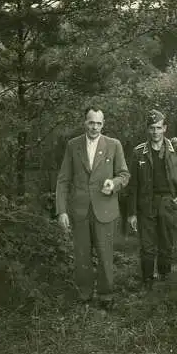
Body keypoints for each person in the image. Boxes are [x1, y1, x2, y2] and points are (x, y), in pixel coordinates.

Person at [56, 106, 130, 310]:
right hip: (79, 211)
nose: (94, 127)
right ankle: (85, 294)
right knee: (81, 255)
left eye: (98, 123)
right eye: (91, 122)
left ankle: (106, 296)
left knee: (105, 255)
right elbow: (63, 180)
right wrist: (62, 210)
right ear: (84, 123)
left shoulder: (113, 145)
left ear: (103, 124)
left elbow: (124, 175)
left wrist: (113, 184)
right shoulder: (73, 145)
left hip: (105, 209)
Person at [127, 109, 177, 290]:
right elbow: (132, 185)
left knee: (166, 244)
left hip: (169, 202)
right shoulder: (138, 153)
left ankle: (165, 280)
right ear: (147, 129)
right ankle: (148, 282)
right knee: (147, 246)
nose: (155, 132)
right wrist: (132, 213)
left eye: (158, 128)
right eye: (152, 128)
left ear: (165, 128)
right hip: (146, 204)